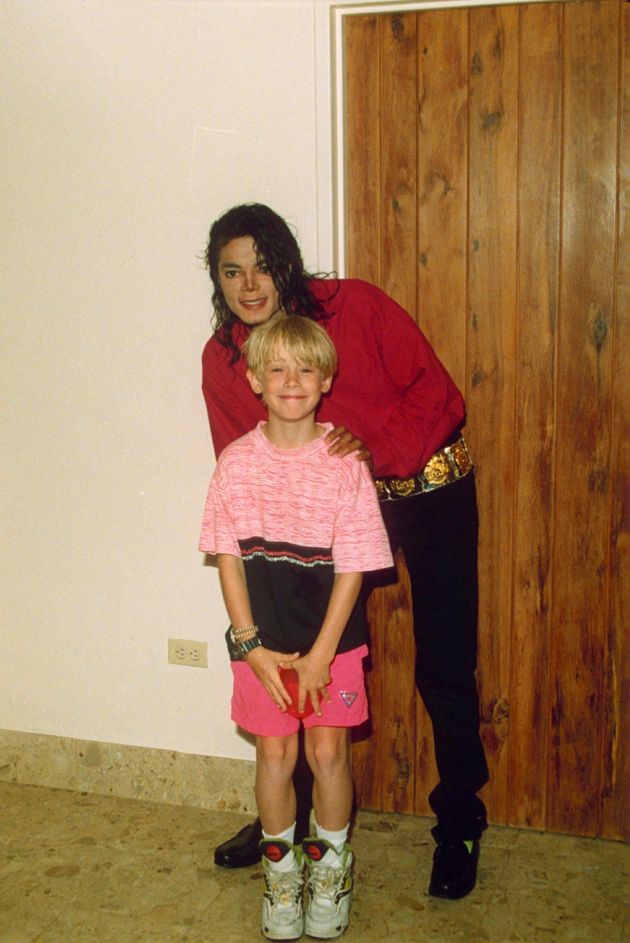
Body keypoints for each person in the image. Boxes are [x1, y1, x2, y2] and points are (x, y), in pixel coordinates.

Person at [201, 203, 489, 901]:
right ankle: (289, 819)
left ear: (287, 260)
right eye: (231, 270)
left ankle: (460, 819)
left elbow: (438, 393)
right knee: (298, 648)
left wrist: (371, 453)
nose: (249, 283)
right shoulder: (225, 359)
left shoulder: (352, 304)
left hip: (425, 483)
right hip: (323, 511)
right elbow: (246, 468)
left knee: (443, 660)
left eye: (262, 263)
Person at [200, 313, 393, 940]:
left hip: (330, 645)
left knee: (328, 751)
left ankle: (331, 875)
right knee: (276, 753)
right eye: (276, 368)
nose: (291, 380)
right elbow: (227, 558)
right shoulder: (235, 463)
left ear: (326, 378)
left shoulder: (345, 464)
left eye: (304, 368)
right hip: (263, 648)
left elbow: (355, 569)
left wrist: (319, 656)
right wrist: (251, 648)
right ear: (255, 379)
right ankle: (281, 883)